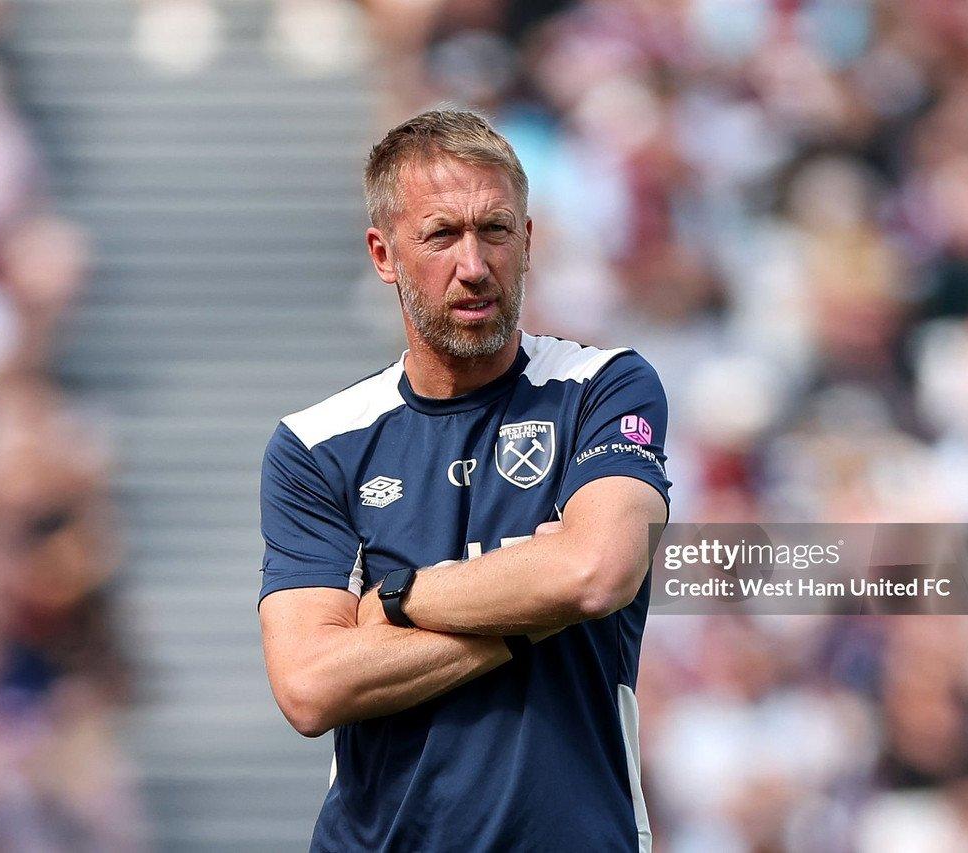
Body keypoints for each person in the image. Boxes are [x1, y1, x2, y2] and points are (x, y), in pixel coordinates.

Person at [258, 109, 670, 852]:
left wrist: (398, 600)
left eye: (496, 231)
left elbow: (594, 570)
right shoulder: (316, 445)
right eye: (442, 235)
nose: (474, 264)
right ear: (384, 254)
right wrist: (532, 608)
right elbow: (311, 686)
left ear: (530, 240)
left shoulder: (605, 387)